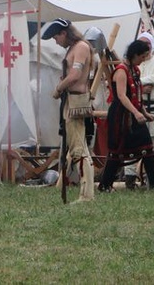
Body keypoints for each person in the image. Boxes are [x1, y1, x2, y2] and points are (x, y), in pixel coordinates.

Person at [97, 39, 154, 192]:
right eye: (142, 56)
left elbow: (137, 95)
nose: (143, 59)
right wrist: (136, 112)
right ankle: (105, 185)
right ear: (134, 55)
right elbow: (121, 95)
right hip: (121, 116)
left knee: (147, 148)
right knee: (117, 150)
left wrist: (144, 113)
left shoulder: (135, 70)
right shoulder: (121, 71)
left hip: (134, 114)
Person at [44, 18, 95, 202]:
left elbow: (74, 76)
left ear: (63, 33)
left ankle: (87, 195)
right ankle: (86, 193)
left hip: (75, 101)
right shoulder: (76, 47)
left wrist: (58, 88)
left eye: (56, 37)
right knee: (78, 148)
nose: (56, 41)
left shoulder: (80, 47)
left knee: (79, 150)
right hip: (71, 100)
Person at [123, 32, 154, 188]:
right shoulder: (134, 63)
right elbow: (127, 82)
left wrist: (137, 83)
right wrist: (140, 87)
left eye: (148, 43)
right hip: (136, 108)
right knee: (131, 146)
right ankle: (129, 180)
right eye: (142, 43)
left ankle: (152, 181)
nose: (146, 47)